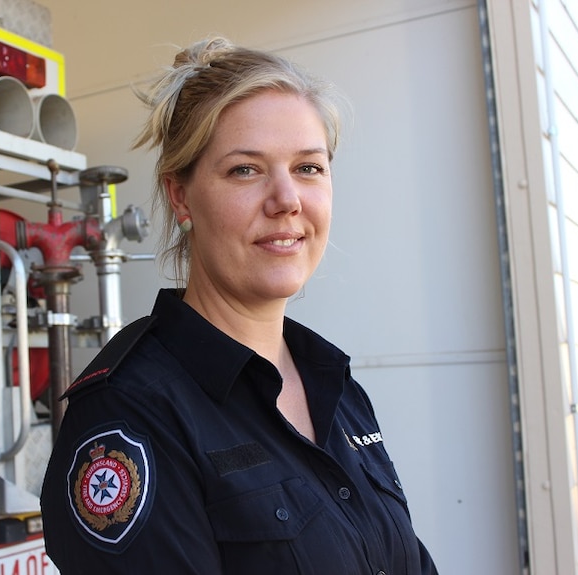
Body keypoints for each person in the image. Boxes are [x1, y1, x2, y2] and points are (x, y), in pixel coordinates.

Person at [40, 36, 438, 574]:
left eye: (308, 168)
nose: (287, 200)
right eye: (245, 170)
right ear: (181, 196)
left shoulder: (336, 388)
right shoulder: (130, 414)